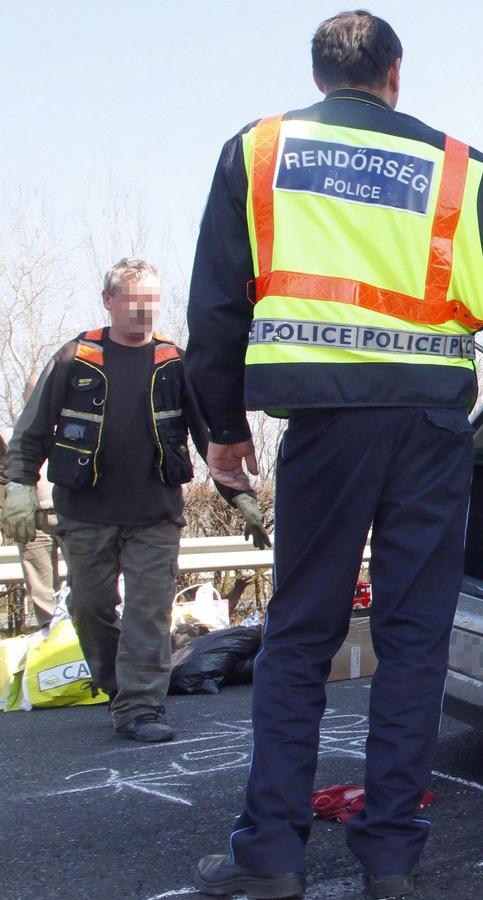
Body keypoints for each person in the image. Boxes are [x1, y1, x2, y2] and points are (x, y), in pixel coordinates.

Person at [185, 11, 483, 899]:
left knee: (298, 638)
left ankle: (271, 856)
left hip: (328, 426)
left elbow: (216, 310)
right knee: (413, 642)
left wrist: (222, 431)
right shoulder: (454, 164)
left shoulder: (257, 152)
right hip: (430, 428)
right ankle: (392, 858)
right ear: (395, 74)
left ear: (321, 75)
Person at [0, 258, 269, 741]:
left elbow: (212, 438)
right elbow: (33, 429)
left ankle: (140, 709)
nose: (143, 310)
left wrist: (239, 495)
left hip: (155, 516)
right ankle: (119, 689)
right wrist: (19, 484)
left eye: (151, 300)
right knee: (90, 607)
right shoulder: (75, 357)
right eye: (132, 299)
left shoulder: (174, 361)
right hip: (85, 514)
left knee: (148, 610)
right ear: (109, 300)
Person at [5, 377, 64, 633]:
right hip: (32, 518)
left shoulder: (74, 428)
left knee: (89, 584)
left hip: (74, 513)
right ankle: (49, 634)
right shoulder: (11, 435)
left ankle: (85, 635)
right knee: (40, 587)